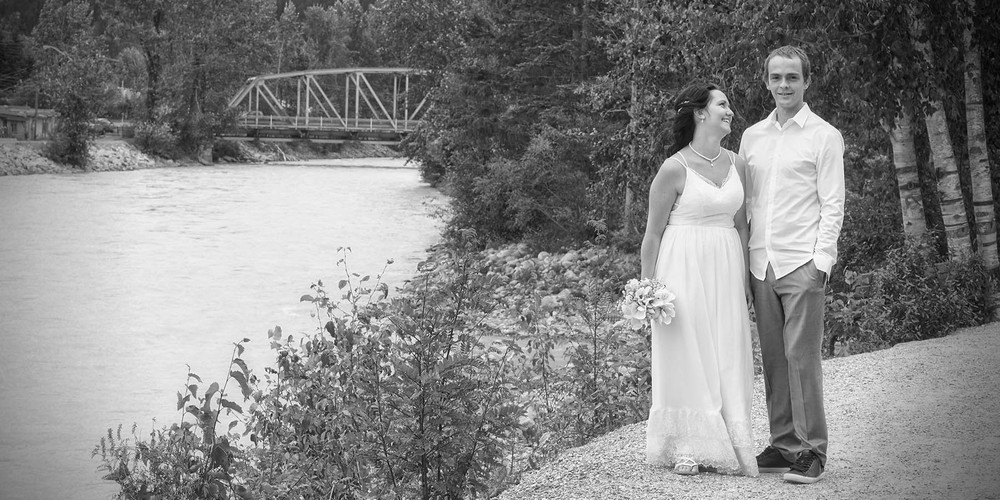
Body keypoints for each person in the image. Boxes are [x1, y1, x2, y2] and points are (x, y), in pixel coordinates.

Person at [739, 45, 845, 485]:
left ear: (806, 81)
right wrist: (743, 261)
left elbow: (832, 203)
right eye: (777, 77)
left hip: (802, 262)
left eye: (792, 77)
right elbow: (747, 203)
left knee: (801, 359)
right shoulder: (751, 137)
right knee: (774, 359)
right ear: (767, 82)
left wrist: (821, 262)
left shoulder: (824, 135)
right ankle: (783, 445)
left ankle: (812, 451)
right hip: (761, 264)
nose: (784, 85)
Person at [641, 81, 758, 477]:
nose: (730, 111)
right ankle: (688, 444)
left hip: (726, 263)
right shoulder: (673, 168)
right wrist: (646, 289)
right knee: (688, 350)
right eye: (722, 104)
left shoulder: (738, 164)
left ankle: (732, 441)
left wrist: (746, 278)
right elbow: (652, 234)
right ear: (700, 113)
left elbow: (742, 226)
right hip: (681, 265)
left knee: (728, 348)